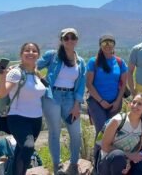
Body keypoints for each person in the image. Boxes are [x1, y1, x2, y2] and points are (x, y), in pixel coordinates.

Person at [38, 28, 87, 175]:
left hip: (71, 99)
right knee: (54, 132)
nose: (70, 40)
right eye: (66, 38)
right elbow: (33, 65)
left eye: (73, 37)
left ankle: (73, 164)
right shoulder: (52, 56)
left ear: (77, 40)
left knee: (76, 133)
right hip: (52, 96)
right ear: (61, 40)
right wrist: (40, 79)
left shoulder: (80, 61)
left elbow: (81, 84)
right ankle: (57, 165)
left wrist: (77, 105)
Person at [0, 43, 47, 175]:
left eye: (34, 51)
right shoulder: (16, 72)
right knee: (28, 147)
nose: (30, 53)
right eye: (27, 50)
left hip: (36, 120)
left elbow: (45, 88)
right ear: (21, 54)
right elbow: (1, 94)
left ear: (38, 55)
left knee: (21, 151)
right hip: (18, 118)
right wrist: (2, 77)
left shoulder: (36, 73)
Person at [98, 93, 142, 175]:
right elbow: (105, 146)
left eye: (139, 104)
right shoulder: (117, 120)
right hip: (108, 163)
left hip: (128, 161)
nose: (135, 105)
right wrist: (129, 156)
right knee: (118, 156)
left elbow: (137, 149)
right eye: (134, 102)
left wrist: (129, 161)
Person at [86, 34, 128, 134]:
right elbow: (89, 84)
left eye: (111, 43)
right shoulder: (93, 62)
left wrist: (117, 102)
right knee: (101, 131)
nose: (107, 45)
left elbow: (123, 85)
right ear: (100, 45)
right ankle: (98, 150)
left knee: (112, 131)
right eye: (105, 42)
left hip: (115, 103)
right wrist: (101, 101)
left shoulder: (120, 62)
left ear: (114, 45)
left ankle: (110, 150)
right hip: (96, 102)